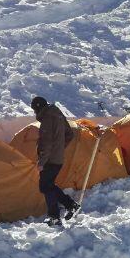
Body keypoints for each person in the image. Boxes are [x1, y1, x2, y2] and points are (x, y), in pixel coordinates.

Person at [30, 96, 79, 224]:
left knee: (45, 186)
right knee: (49, 185)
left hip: (49, 160)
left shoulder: (47, 118)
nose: (35, 113)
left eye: (35, 110)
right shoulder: (57, 114)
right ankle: (70, 205)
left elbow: (46, 143)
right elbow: (70, 134)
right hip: (57, 158)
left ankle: (54, 217)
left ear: (38, 108)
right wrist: (60, 148)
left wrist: (41, 162)